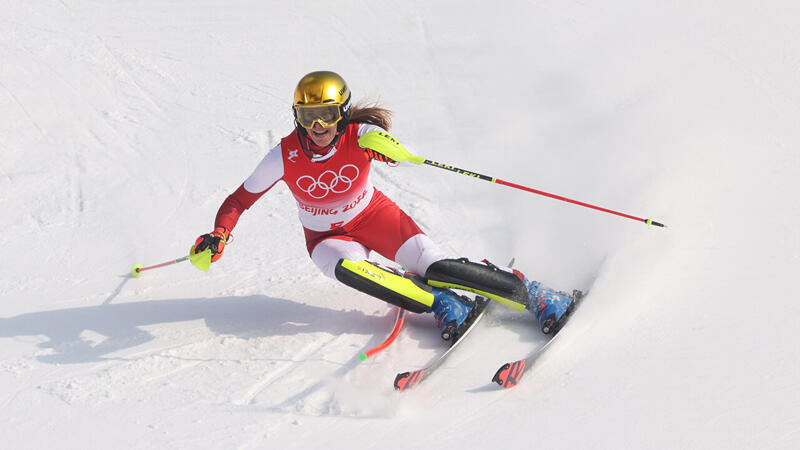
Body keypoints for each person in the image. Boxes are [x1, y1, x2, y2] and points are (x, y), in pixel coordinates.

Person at [193, 71, 575, 340]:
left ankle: (538, 295)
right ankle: (443, 303)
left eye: (326, 114)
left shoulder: (360, 136)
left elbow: (386, 145)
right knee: (350, 270)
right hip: (327, 238)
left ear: (341, 113)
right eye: (308, 116)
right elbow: (238, 200)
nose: (317, 126)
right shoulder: (284, 155)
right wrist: (219, 233)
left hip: (376, 217)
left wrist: (391, 152)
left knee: (438, 267)